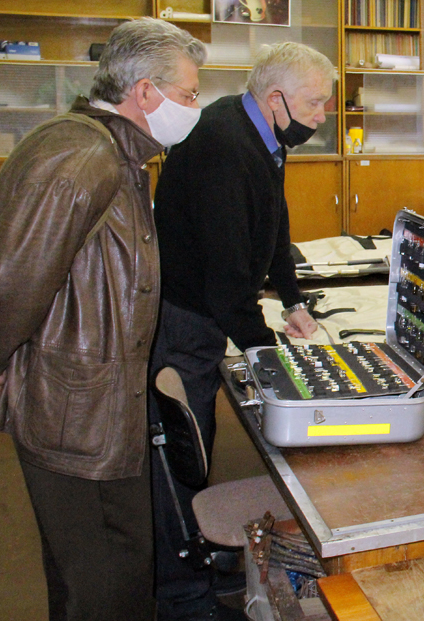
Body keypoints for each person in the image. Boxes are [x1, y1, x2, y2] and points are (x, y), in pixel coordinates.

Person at [0, 18, 205, 621]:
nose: (195, 107)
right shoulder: (80, 158)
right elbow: (12, 280)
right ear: (145, 92)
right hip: (75, 418)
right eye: (189, 94)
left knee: (105, 573)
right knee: (104, 584)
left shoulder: (116, 153)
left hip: (96, 409)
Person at [150, 42, 335, 619]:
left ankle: (207, 560)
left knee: (199, 443)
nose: (323, 115)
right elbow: (228, 274)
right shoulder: (223, 144)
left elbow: (273, 220)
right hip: (187, 319)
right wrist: (269, 356)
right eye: (315, 103)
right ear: (275, 97)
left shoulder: (260, 129)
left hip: (208, 309)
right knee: (185, 453)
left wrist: (293, 295)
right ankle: (183, 593)